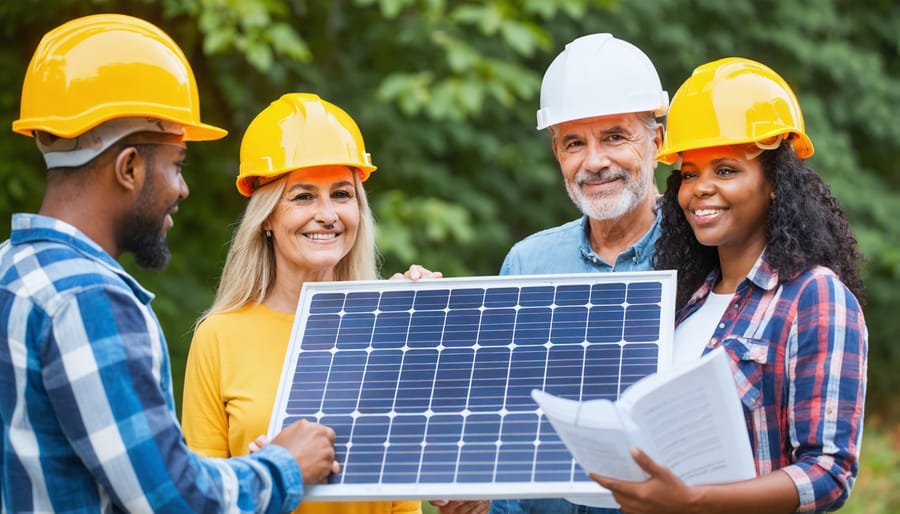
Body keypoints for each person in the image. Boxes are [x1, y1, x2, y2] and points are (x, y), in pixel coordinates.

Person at [0, 14, 338, 513]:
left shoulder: (13, 272)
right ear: (130, 167)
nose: (182, 189)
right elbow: (174, 499)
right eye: (177, 165)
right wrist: (285, 464)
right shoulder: (90, 302)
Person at [591, 57, 867, 513]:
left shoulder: (813, 297)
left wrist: (693, 501)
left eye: (725, 170)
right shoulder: (685, 301)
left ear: (773, 182)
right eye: (690, 172)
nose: (700, 188)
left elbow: (827, 475)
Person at [180, 92, 422, 514]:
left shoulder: (386, 328)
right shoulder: (218, 337)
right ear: (267, 215)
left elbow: (403, 503)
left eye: (342, 194)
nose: (327, 214)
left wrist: (432, 319)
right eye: (304, 196)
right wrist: (269, 472)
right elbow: (199, 501)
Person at [489, 33, 668, 514]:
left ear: (658, 140)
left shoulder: (705, 254)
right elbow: (509, 424)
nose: (595, 162)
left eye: (615, 136)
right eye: (574, 143)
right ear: (557, 153)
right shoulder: (527, 265)